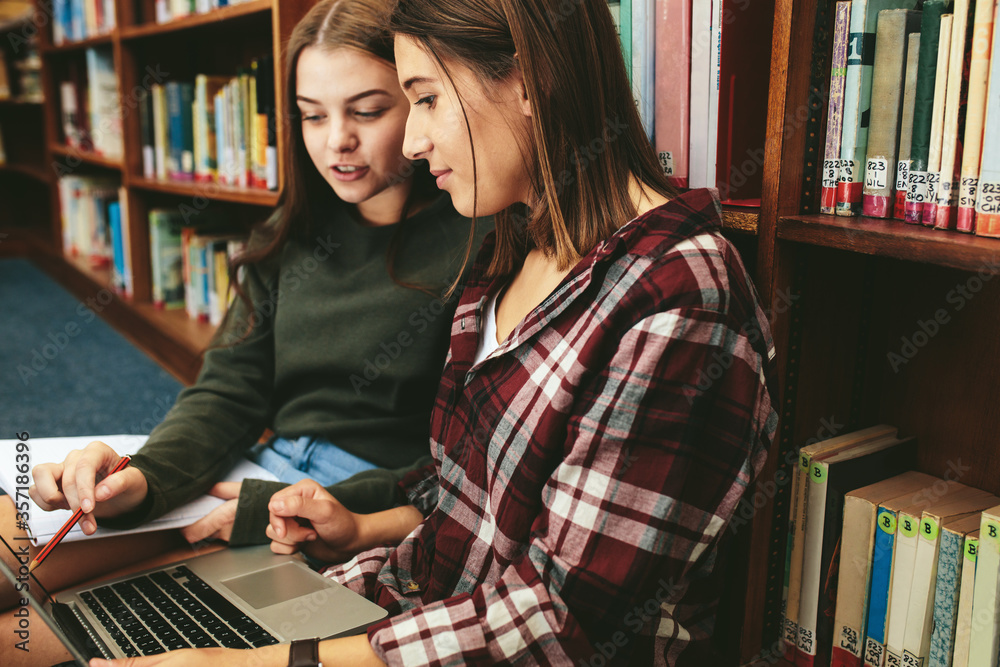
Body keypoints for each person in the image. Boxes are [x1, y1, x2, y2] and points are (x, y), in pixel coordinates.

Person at [89, 0, 778, 665]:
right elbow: (460, 489)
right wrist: (351, 535)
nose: (415, 144)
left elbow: (558, 621)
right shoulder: (515, 243)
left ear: (532, 78)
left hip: (464, 636)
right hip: (407, 599)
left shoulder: (677, 295)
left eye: (422, 98)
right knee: (97, 615)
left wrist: (262, 659)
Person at [16, 0, 490, 594]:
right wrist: (141, 478)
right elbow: (228, 389)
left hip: (355, 506)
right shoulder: (293, 229)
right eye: (312, 116)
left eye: (367, 112)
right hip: (257, 471)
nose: (337, 142)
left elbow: (463, 467)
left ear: (422, 105)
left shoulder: (478, 235)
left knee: (54, 619)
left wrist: (282, 505)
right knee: (17, 554)